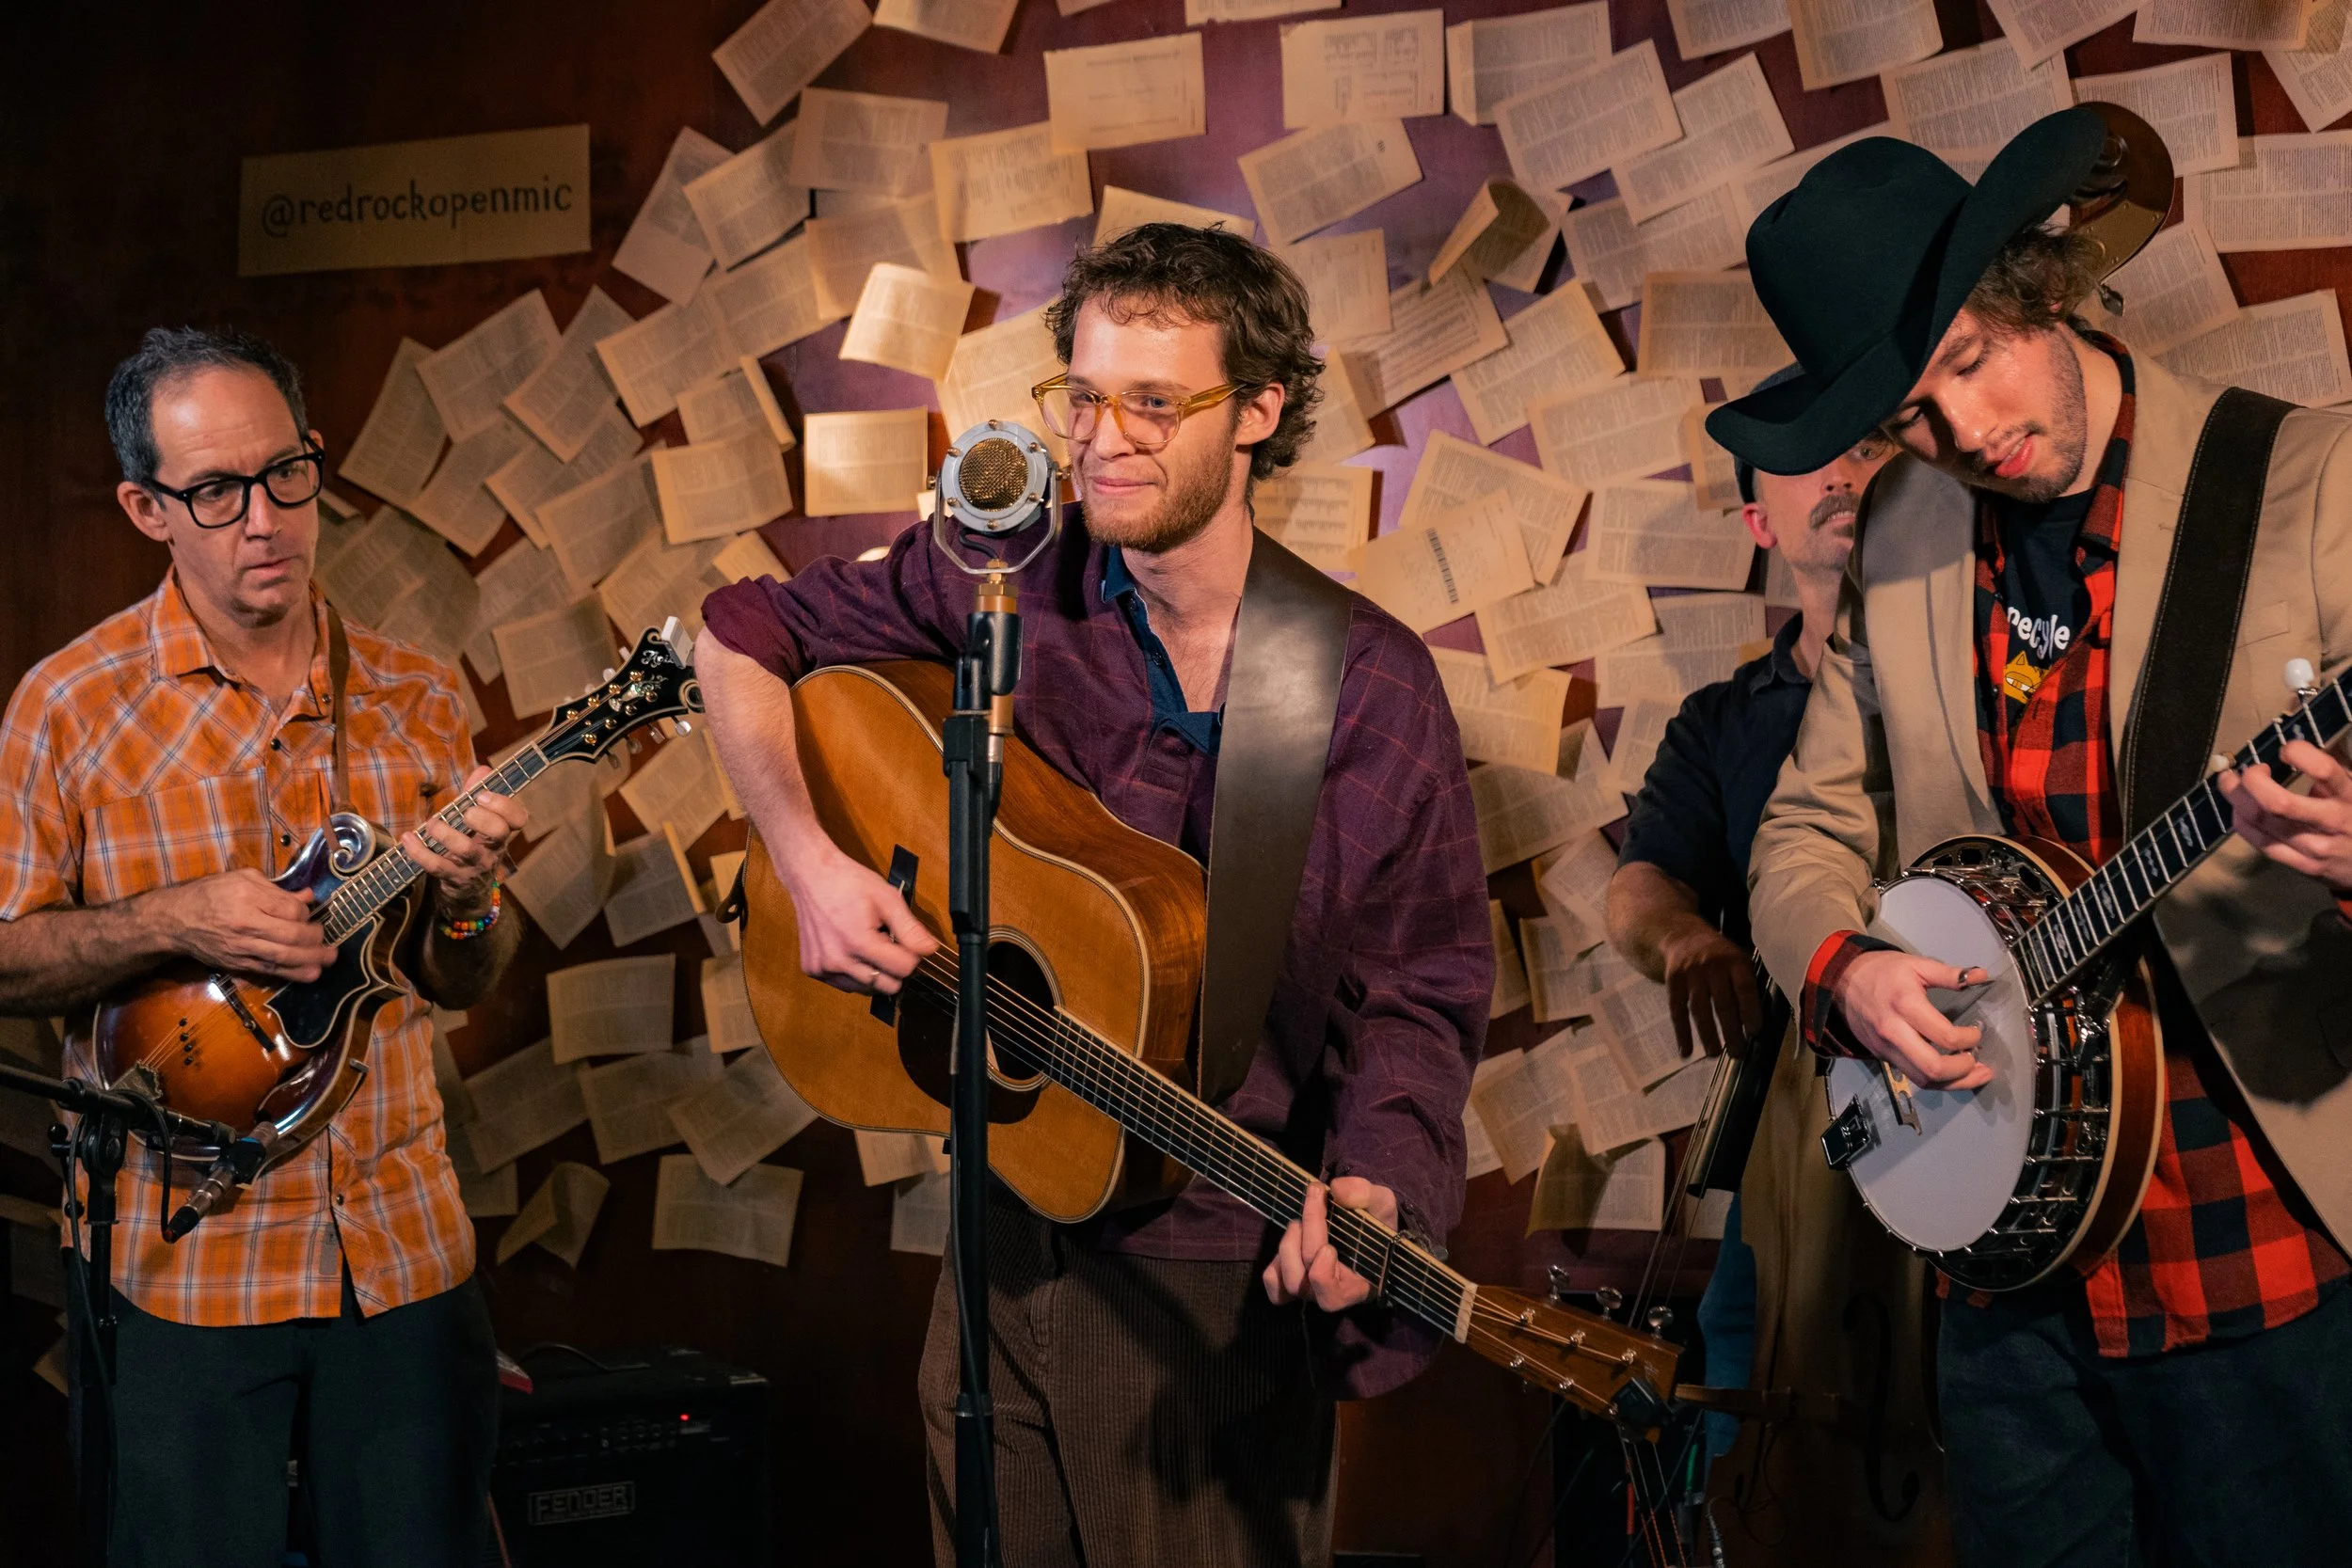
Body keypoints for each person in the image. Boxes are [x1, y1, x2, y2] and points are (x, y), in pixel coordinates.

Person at [696, 222, 1490, 1566]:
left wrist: (1377, 1184)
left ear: (1258, 410)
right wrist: (808, 863)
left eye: (1154, 402)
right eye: (1084, 393)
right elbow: (738, 634)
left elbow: (1424, 987)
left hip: (1213, 1273)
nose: (1102, 439)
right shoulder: (1007, 578)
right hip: (1000, 1222)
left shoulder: (1369, 685)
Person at [1715, 107, 2352, 1566]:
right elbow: (1805, 830)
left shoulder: (2312, 488)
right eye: (1908, 417)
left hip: (2256, 1247)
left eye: (1968, 362)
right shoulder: (1907, 532)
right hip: (2006, 1267)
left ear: (2038, 285)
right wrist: (1843, 967)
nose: (1963, 435)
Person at [0, 327, 526, 1566]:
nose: (264, 518)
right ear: (146, 506)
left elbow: (458, 978)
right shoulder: (69, 708)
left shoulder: (420, 694)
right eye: (216, 490)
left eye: (286, 474)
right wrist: (172, 917)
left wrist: (467, 899)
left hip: (400, 1250)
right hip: (187, 1270)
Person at [1603, 399, 1891, 1456]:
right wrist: (1687, 940)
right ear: (1756, 520)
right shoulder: (1722, 718)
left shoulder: (1972, 669)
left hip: (1966, 1082)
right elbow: (1639, 887)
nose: (1844, 470)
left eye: (1864, 440)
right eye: (1805, 460)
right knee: (1749, 1365)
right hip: (1798, 1123)